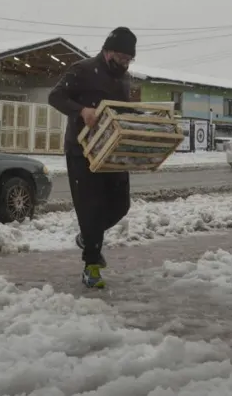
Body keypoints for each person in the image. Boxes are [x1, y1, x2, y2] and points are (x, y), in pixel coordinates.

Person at [48, 26, 137, 289]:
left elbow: (122, 111)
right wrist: (81, 110)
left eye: (129, 59)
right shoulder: (82, 70)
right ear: (108, 51)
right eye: (121, 57)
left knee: (121, 205)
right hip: (81, 151)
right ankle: (92, 267)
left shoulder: (124, 79)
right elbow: (55, 97)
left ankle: (88, 237)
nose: (124, 63)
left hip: (112, 151)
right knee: (91, 209)